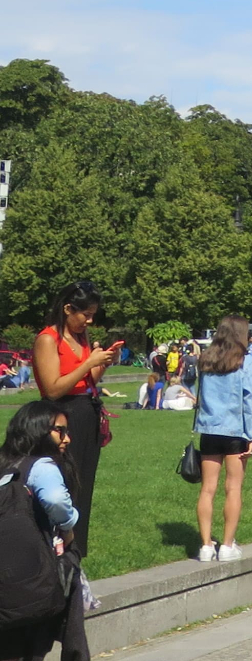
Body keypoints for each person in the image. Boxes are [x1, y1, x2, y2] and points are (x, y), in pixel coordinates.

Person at [31, 280, 117, 561]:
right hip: (60, 418)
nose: (89, 320)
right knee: (62, 485)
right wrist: (88, 363)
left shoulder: (81, 339)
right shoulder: (48, 339)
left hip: (84, 415)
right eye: (86, 314)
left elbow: (84, 382)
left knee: (82, 487)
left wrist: (101, 364)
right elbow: (53, 389)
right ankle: (51, 550)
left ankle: (75, 552)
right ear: (68, 308)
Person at [0, 399, 89, 661]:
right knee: (36, 643)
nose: (67, 439)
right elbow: (55, 500)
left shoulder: (5, 462)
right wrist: (68, 525)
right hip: (36, 573)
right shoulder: (41, 467)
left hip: (6, 576)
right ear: (38, 431)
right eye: (59, 431)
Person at [193, 316, 252, 561]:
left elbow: (196, 395)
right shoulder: (246, 363)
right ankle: (227, 545)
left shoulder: (206, 360)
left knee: (207, 489)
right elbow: (251, 401)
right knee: (233, 488)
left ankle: (205, 545)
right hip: (236, 432)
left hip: (209, 430)